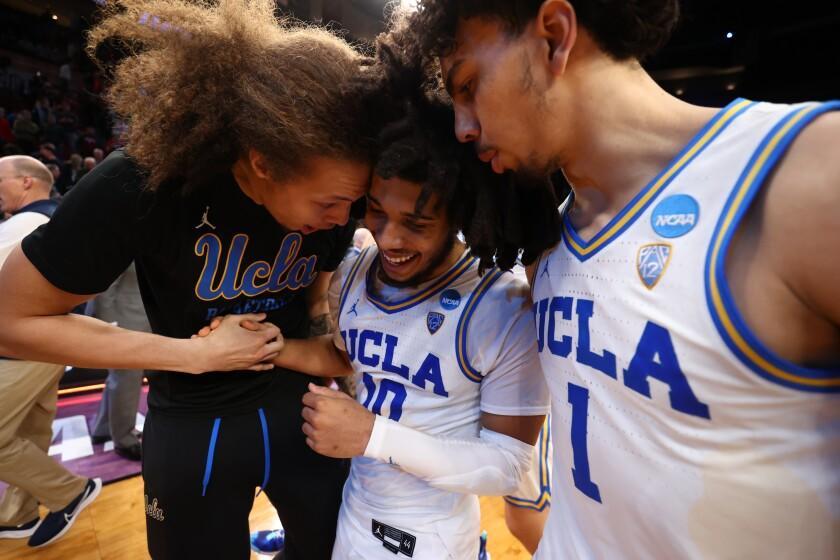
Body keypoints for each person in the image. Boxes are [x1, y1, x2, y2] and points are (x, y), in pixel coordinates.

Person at [390, 1, 840, 557]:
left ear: (554, 36)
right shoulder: (548, 248)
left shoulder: (808, 173)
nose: (462, 127)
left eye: (468, 86)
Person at [0, 0, 377, 558]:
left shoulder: (336, 199)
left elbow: (316, 296)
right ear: (262, 162)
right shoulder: (145, 181)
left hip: (300, 411)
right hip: (194, 419)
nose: (344, 220)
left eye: (353, 202)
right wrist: (194, 355)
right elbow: (12, 321)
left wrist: (333, 364)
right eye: (332, 202)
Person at [235, 85, 549, 559]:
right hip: (355, 509)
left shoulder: (503, 305)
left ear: (458, 214)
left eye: (416, 223)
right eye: (377, 211)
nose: (389, 238)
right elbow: (347, 356)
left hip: (429, 534)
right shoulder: (357, 266)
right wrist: (267, 345)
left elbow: (507, 466)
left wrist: (372, 434)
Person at [0, 155, 101, 549]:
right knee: (31, 432)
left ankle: (70, 491)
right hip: (48, 342)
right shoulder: (54, 217)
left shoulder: (28, 220)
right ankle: (18, 514)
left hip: (27, 345)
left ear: (27, 182)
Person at [88, 261, 150, 461]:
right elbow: (105, 283)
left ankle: (104, 428)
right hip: (124, 320)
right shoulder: (128, 233)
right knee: (126, 380)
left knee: (120, 378)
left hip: (133, 317)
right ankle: (124, 440)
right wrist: (109, 324)